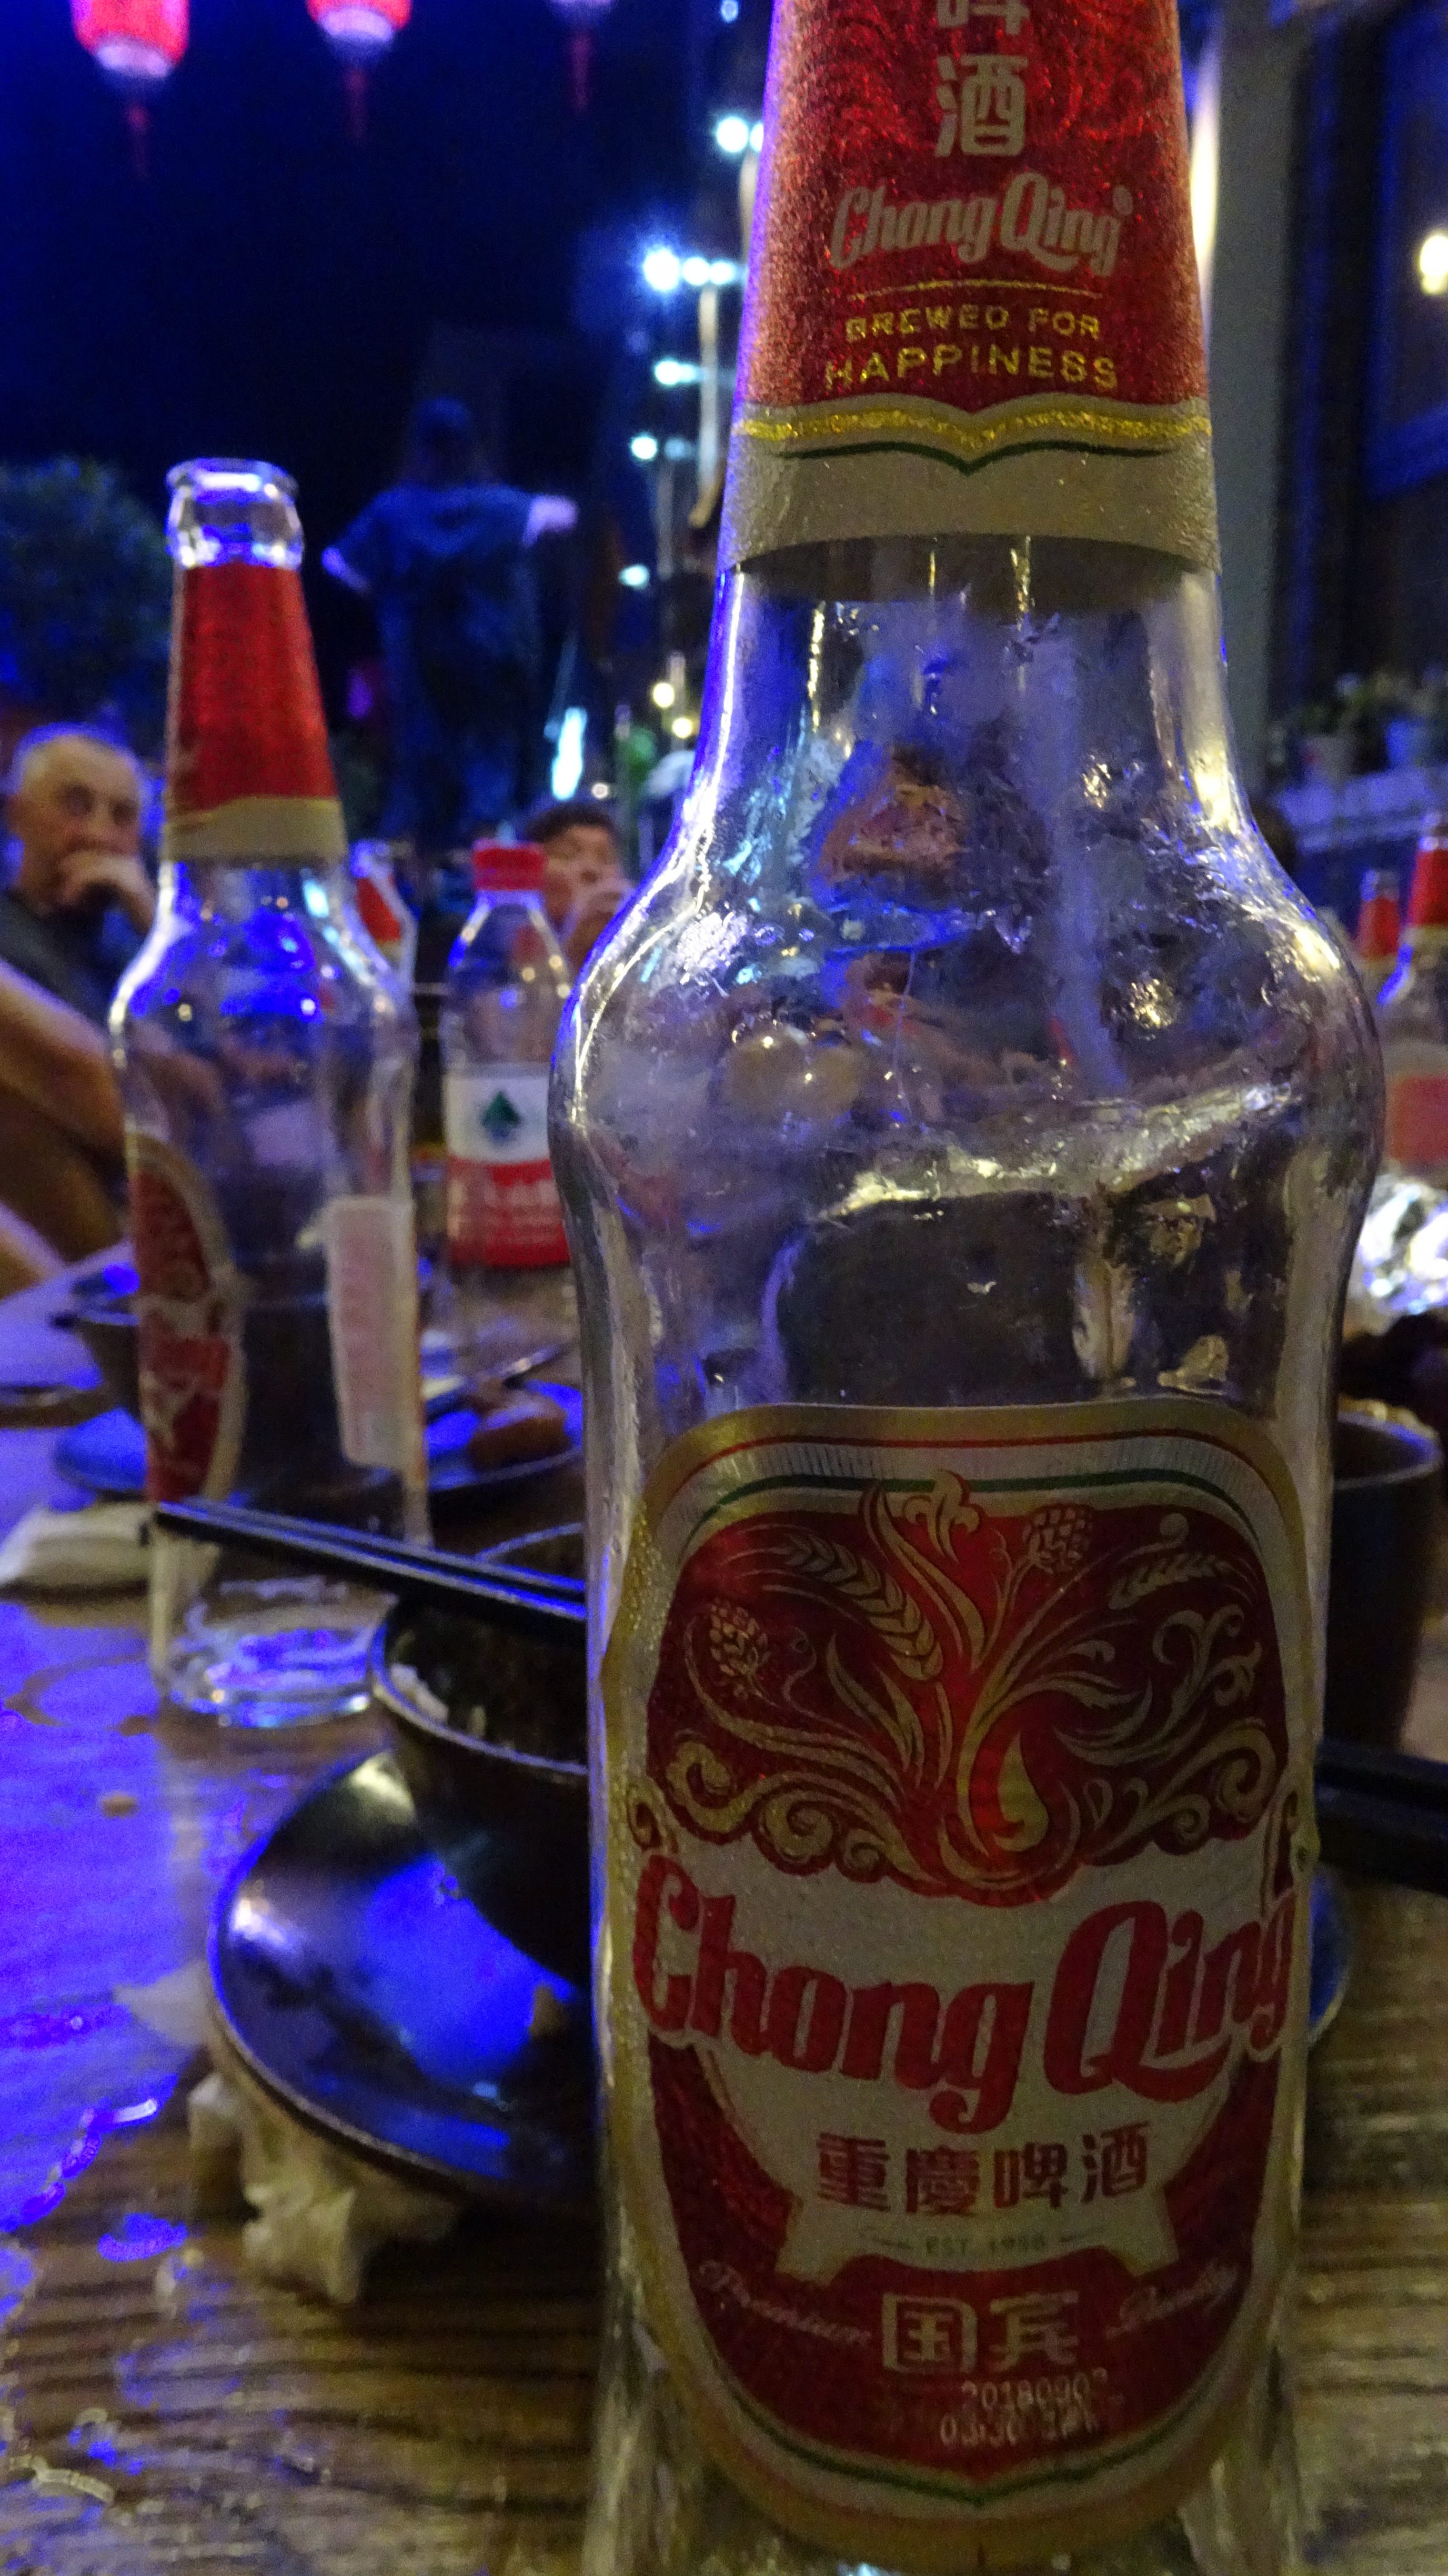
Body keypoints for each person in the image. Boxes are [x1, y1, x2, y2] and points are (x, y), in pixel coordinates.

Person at [323, 398, 578, 851]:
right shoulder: (496, 507)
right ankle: (481, 863)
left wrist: (384, 590)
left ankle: (413, 874)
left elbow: (338, 562)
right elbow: (563, 515)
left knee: (418, 762)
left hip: (418, 661)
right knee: (489, 760)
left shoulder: (394, 511)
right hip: (488, 656)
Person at [0, 727, 154, 1025]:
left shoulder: (138, 946)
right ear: (16, 815)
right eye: (76, 805)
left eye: (122, 814)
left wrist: (153, 921)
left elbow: (230, 1042)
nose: (100, 835)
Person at [525, 796, 632, 973]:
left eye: (606, 857)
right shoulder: (493, 952)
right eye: (567, 855)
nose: (592, 869)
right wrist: (571, 955)